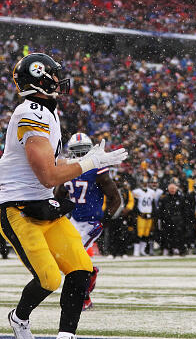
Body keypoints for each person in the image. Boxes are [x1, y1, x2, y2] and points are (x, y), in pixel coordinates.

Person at [0, 53, 127, 339]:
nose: (59, 80)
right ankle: (19, 318)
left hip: (44, 205)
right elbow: (48, 175)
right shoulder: (30, 113)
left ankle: (66, 336)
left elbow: (54, 168)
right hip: (16, 207)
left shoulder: (47, 112)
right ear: (40, 78)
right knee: (48, 278)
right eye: (54, 75)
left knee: (81, 268)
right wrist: (89, 164)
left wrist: (88, 160)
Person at [54, 132, 123, 311]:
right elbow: (59, 194)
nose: (79, 155)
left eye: (83, 151)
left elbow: (115, 198)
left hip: (92, 221)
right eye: (76, 151)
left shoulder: (96, 170)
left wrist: (104, 219)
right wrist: (60, 209)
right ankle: (90, 273)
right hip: (75, 220)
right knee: (66, 258)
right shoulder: (68, 169)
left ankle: (83, 297)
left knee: (75, 258)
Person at [159, 183, 190, 256]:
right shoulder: (165, 199)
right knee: (169, 236)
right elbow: (162, 210)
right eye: (171, 189)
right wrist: (163, 219)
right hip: (168, 220)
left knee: (180, 236)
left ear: (176, 189)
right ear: (168, 190)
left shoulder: (181, 198)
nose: (172, 190)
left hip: (179, 220)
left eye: (173, 189)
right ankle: (170, 250)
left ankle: (181, 250)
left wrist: (184, 219)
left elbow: (184, 210)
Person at [132, 178, 158, 256]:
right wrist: (139, 213)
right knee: (139, 233)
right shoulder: (136, 192)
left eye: (146, 183)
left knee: (146, 233)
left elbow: (153, 204)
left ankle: (142, 250)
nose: (145, 184)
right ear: (140, 183)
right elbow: (135, 205)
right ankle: (136, 251)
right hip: (141, 215)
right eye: (143, 183)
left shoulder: (152, 192)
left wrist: (153, 214)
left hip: (149, 215)